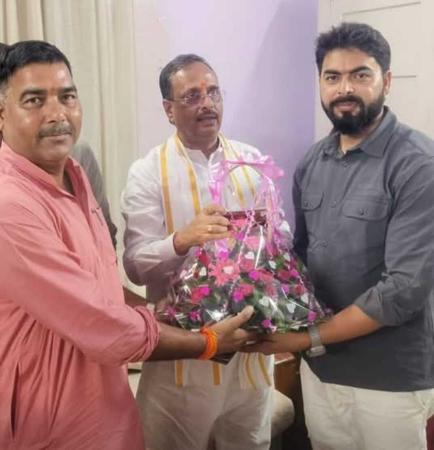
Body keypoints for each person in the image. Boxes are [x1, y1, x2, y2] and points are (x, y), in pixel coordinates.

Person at [0, 40, 255, 449]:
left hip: (107, 404)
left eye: (67, 97)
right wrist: (205, 342)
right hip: (49, 420)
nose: (57, 113)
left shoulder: (74, 173)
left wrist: (169, 316)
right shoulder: (10, 204)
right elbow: (98, 320)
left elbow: (99, 286)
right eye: (34, 100)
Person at [246, 22, 434, 450]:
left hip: (390, 378)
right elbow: (300, 260)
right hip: (322, 371)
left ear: (386, 81)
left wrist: (306, 339)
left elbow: (403, 290)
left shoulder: (417, 164)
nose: (344, 88)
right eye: (332, 77)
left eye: (360, 75)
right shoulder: (312, 162)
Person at [122, 54, 274, 450]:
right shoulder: (148, 171)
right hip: (183, 357)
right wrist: (182, 240)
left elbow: (281, 240)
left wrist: (266, 242)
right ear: (169, 110)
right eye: (192, 96)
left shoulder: (252, 162)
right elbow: (135, 266)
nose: (207, 104)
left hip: (250, 351)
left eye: (213, 93)